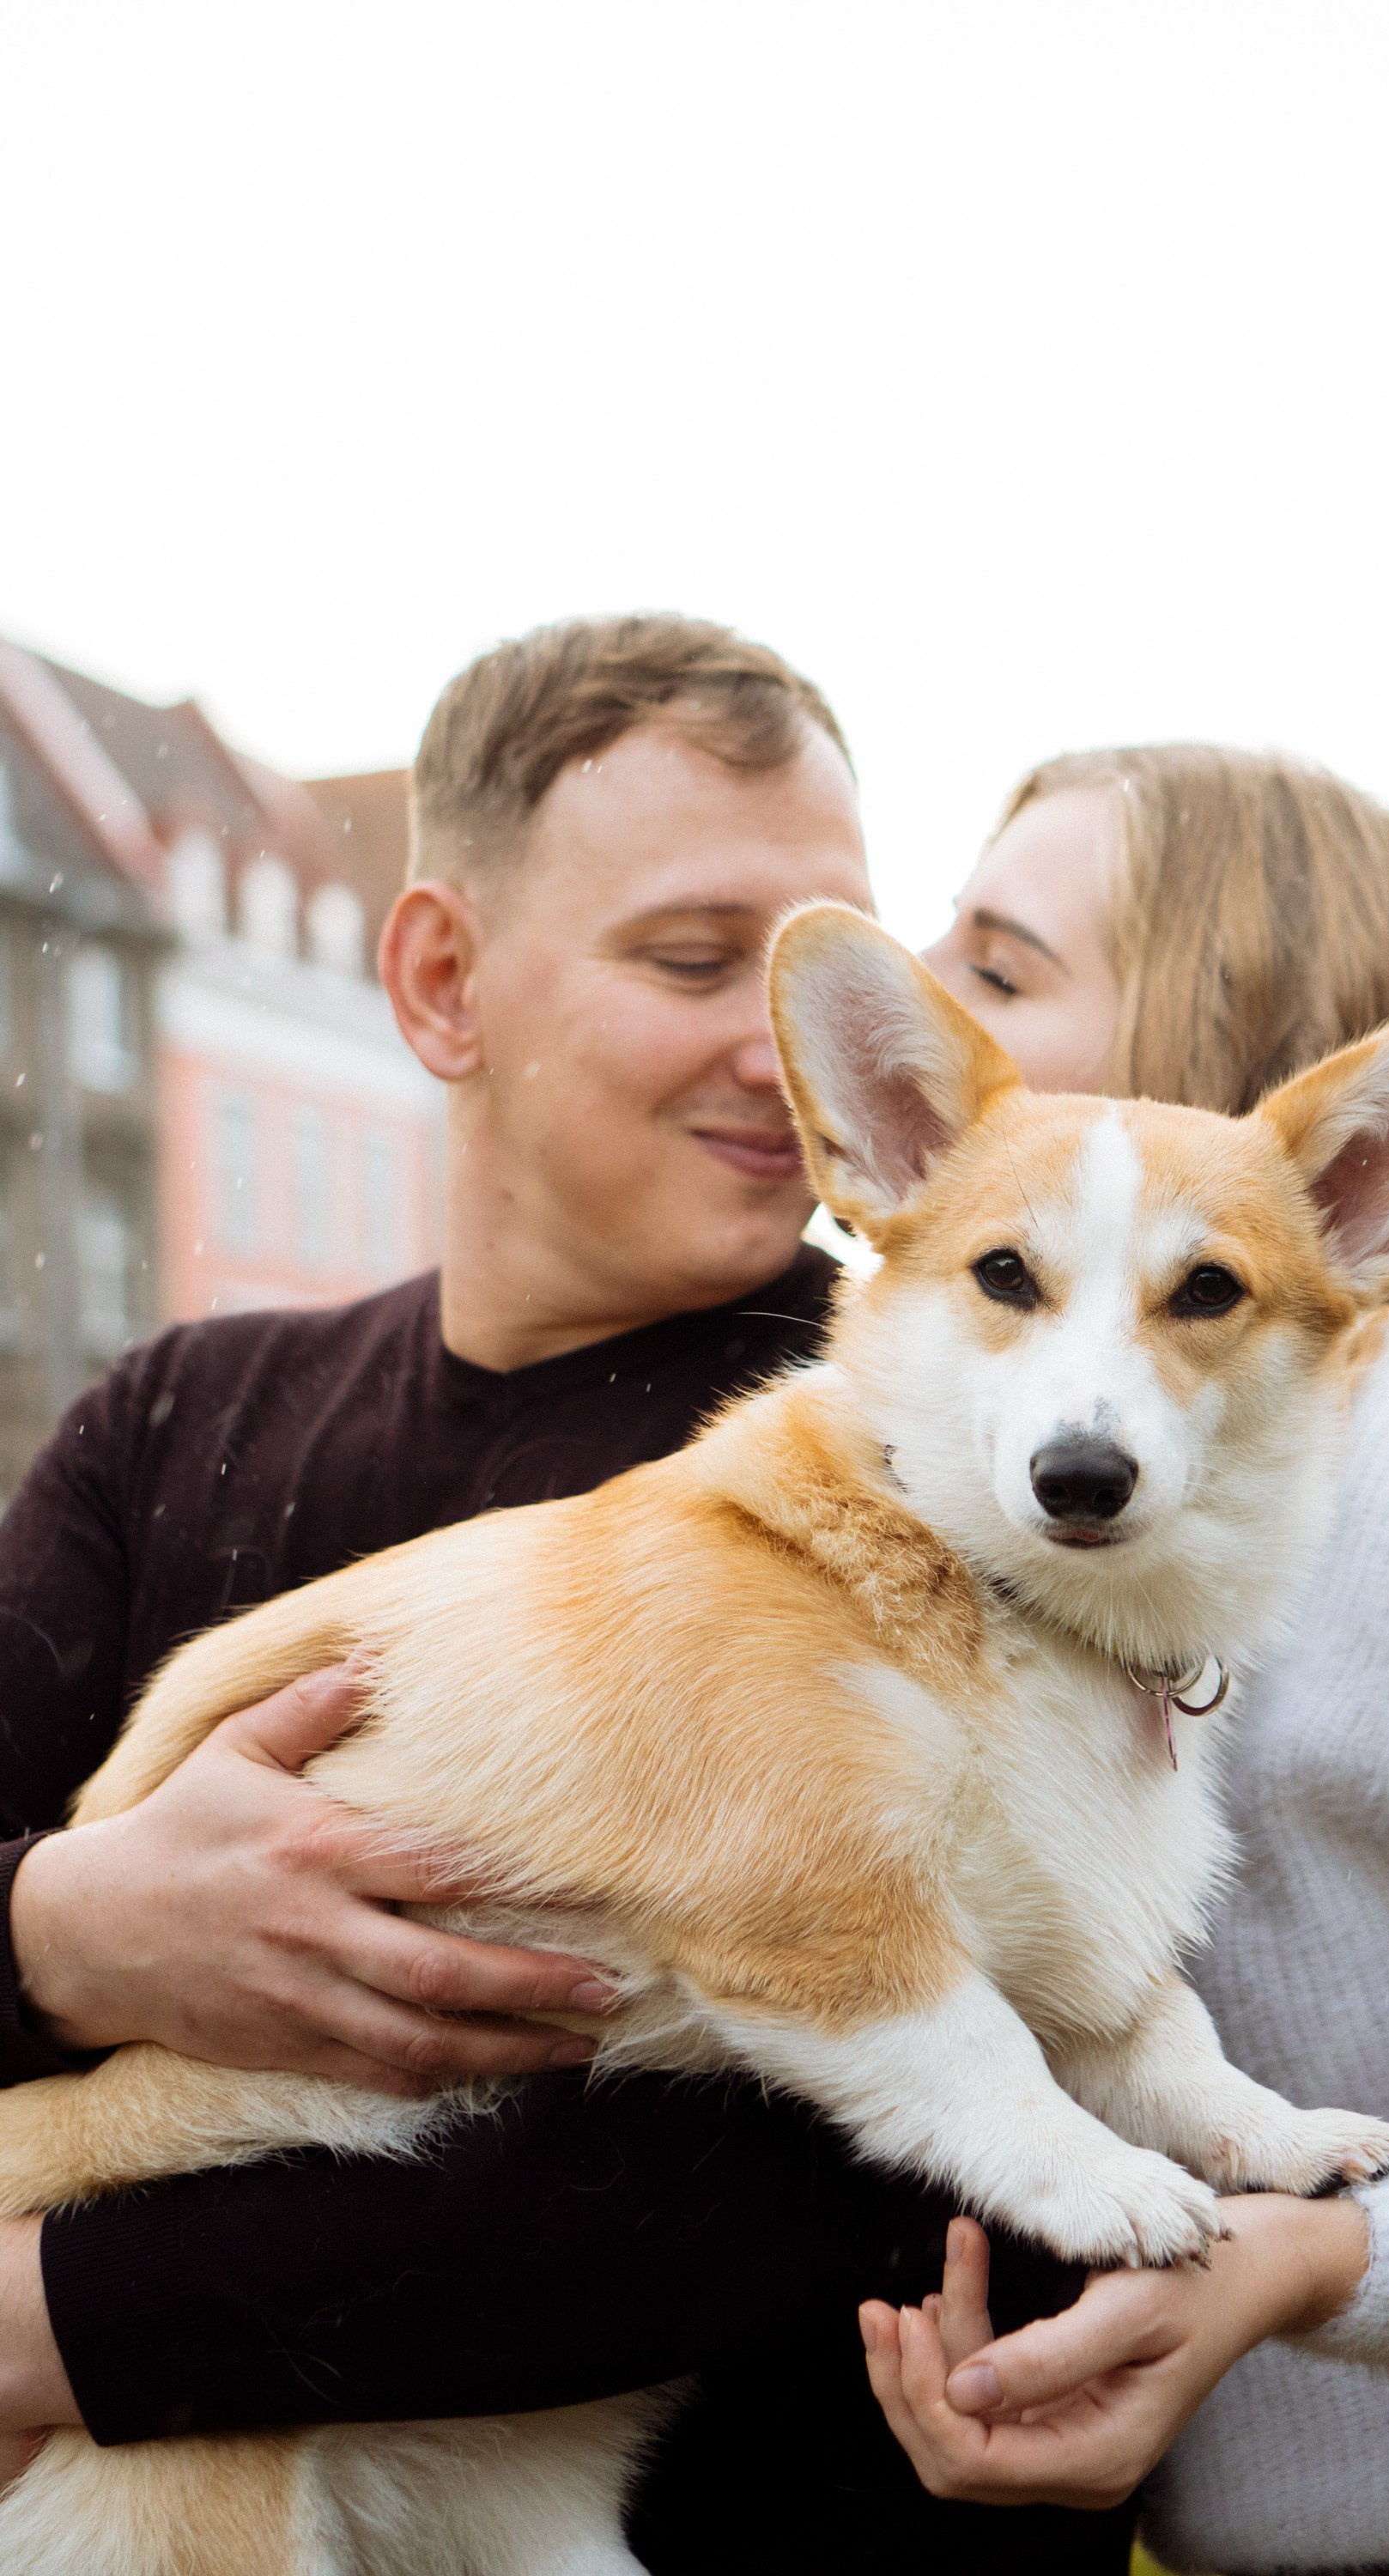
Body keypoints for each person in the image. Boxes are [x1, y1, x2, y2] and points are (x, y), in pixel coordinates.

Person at [0, 616, 1138, 2573]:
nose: (788, 1043)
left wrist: (39, 2327)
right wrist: (63, 1930)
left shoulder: (936, 1467)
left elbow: (810, 2162)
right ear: (442, 982)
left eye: (834, 968)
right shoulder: (171, 1415)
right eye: (698, 961)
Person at [858, 743, 1389, 2573]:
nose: (926, 1007)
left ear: (1216, 1034)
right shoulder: (1107, 1481)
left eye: (1001, 972)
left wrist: (1326, 2256)